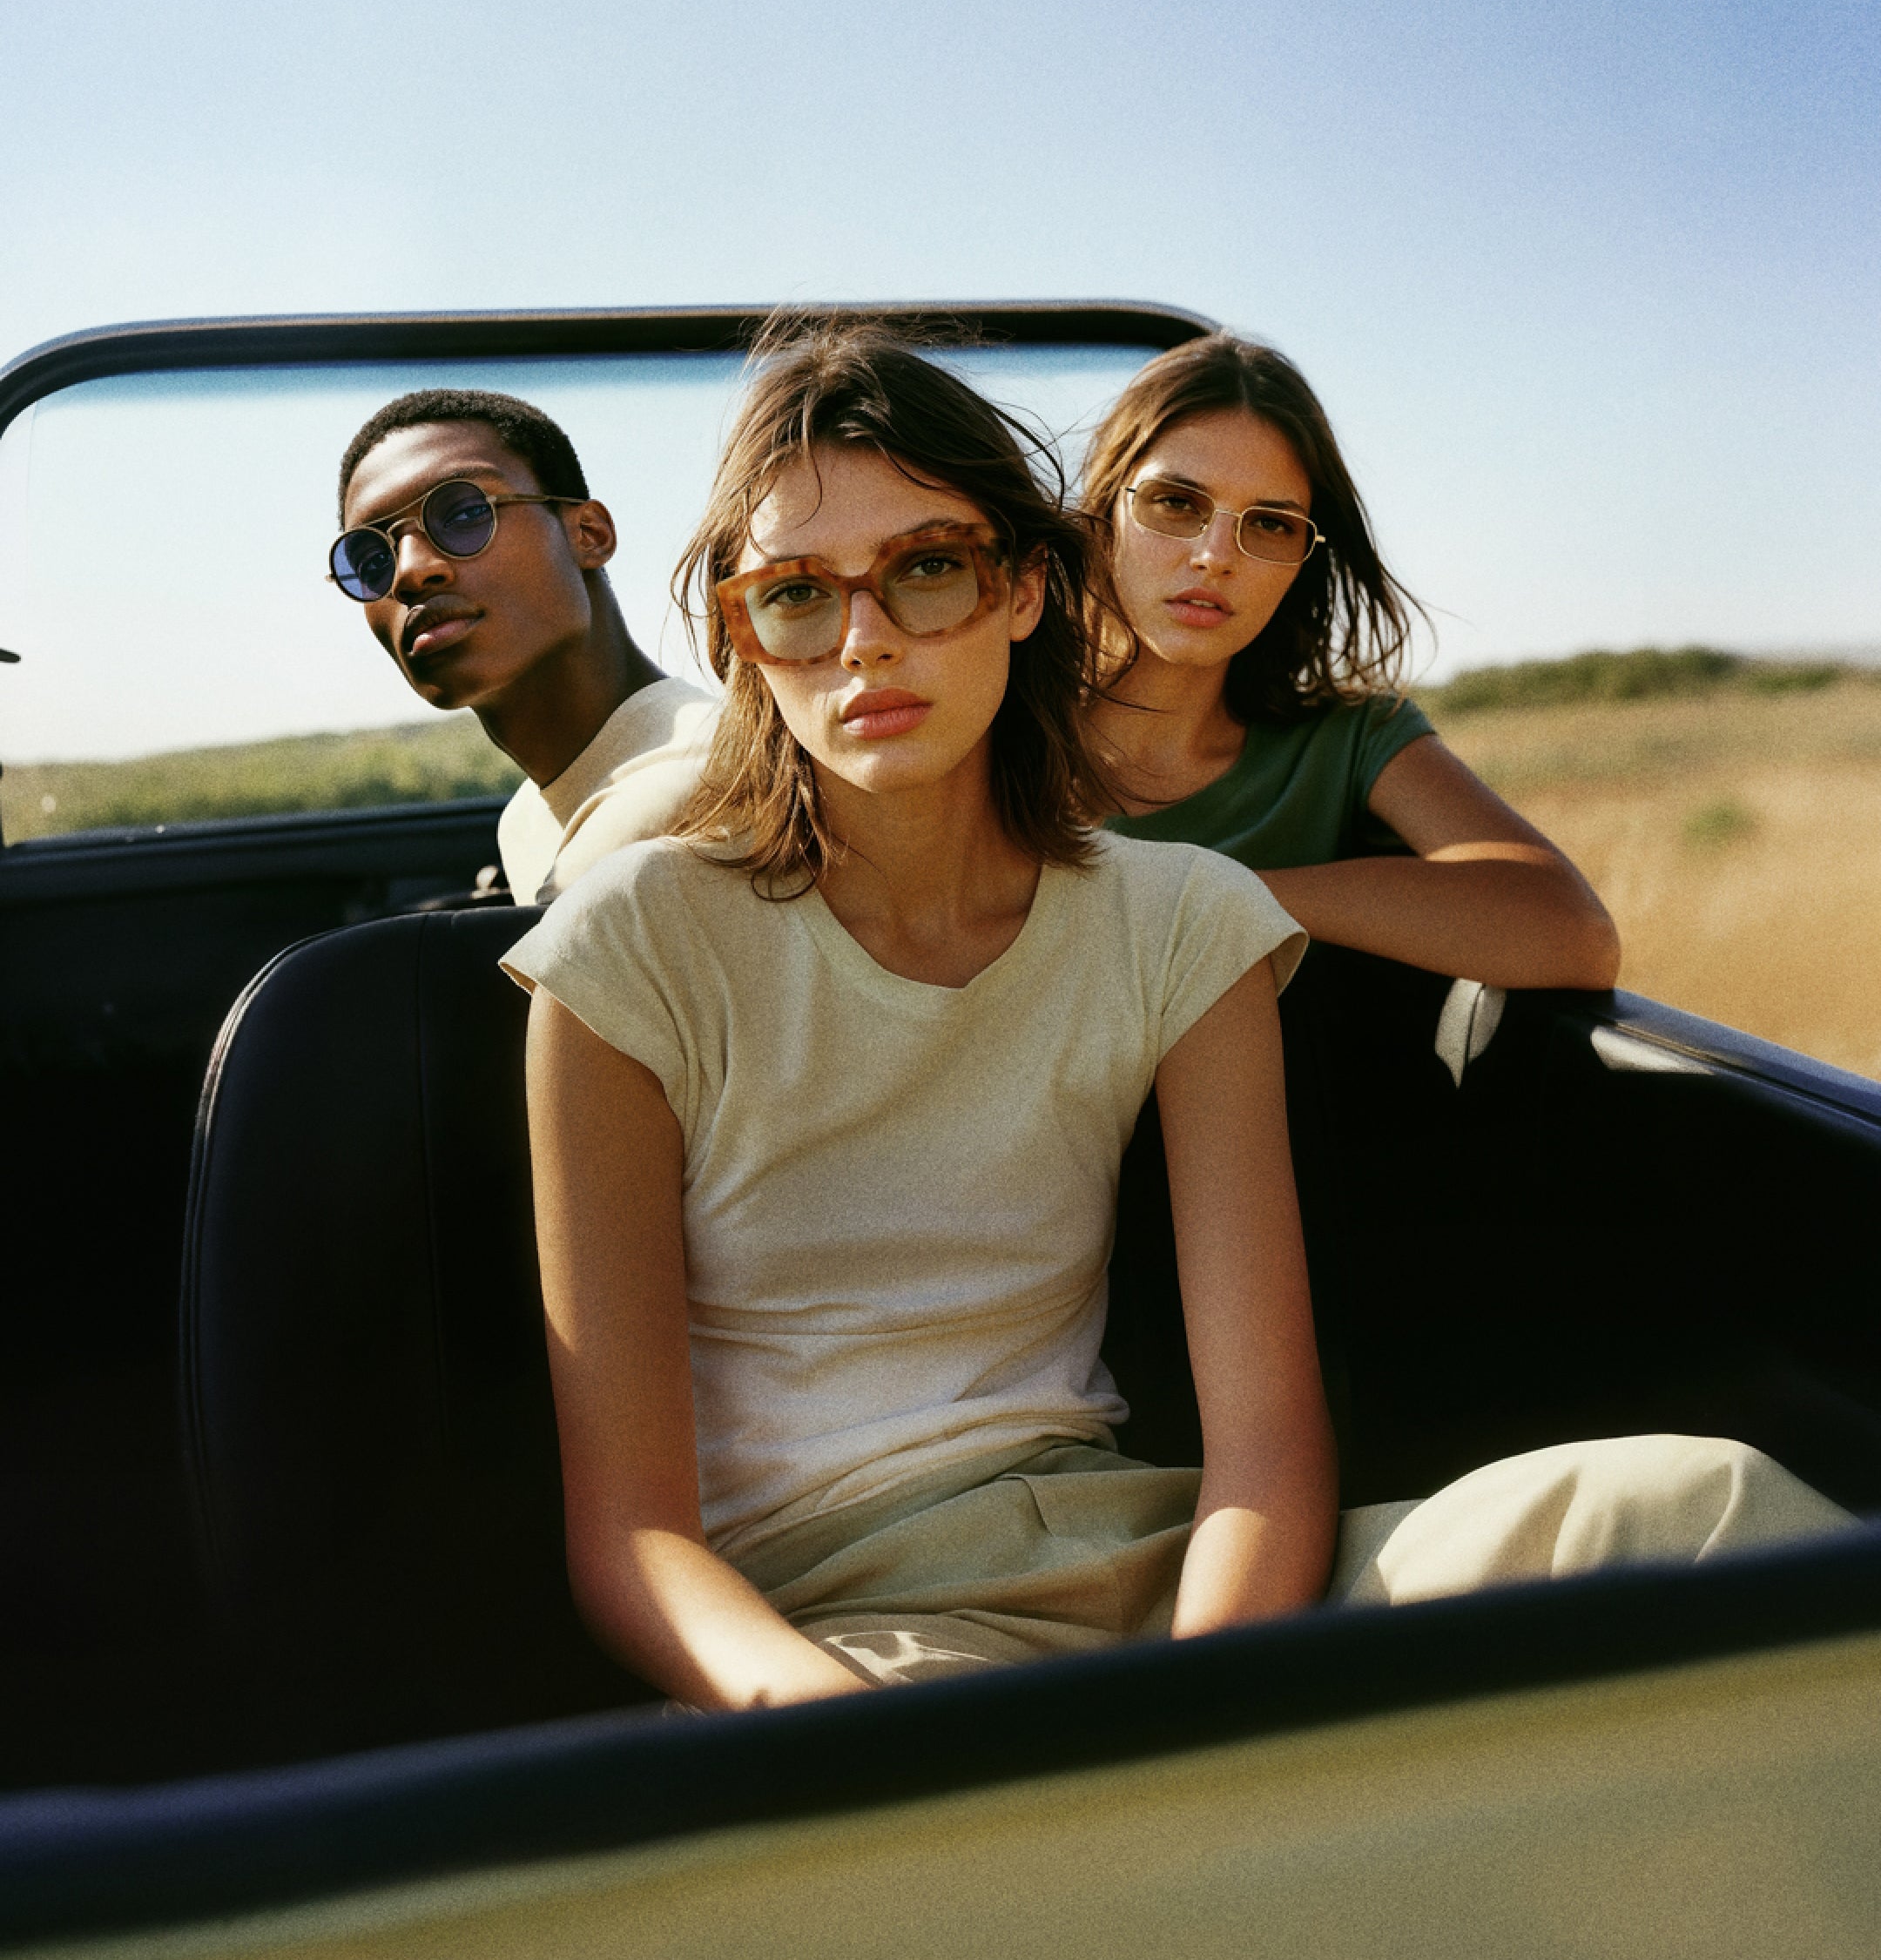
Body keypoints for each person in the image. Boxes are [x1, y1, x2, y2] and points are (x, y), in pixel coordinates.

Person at [501, 326, 1847, 1712]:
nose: (865, 640)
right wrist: (831, 1728)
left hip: (1169, 1569)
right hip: (854, 1638)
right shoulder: (632, 946)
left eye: (929, 568)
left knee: (1698, 1509)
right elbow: (637, 1543)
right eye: (795, 593)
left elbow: (1267, 1446)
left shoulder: (1181, 918)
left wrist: (1205, 1708)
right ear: (740, 631)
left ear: (1026, 587)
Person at [1082, 335, 1620, 989]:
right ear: (1105, 507)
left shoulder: (1343, 742)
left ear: (1303, 560)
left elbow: (1575, 934)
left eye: (1270, 524)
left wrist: (1220, 895)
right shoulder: (1001, 733)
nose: (1215, 555)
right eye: (1175, 502)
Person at [332, 387, 714, 903]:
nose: (410, 572)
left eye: (464, 514)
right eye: (372, 559)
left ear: (589, 534)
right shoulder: (526, 818)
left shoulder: (694, 787)